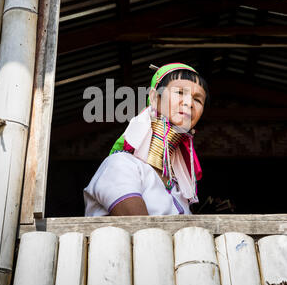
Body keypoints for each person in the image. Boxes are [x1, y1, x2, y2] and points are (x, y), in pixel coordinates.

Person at [83, 62, 209, 216]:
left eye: (198, 100)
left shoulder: (181, 191)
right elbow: (144, 235)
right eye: (180, 92)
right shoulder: (121, 165)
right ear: (155, 98)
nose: (189, 103)